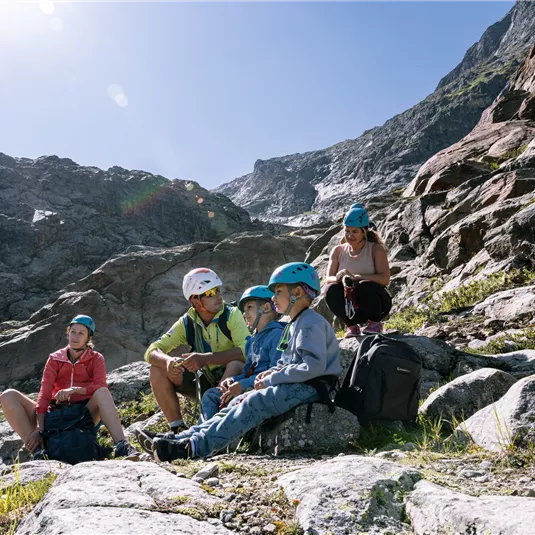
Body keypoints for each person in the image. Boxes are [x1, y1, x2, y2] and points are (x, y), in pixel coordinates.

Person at [146, 262, 342, 461]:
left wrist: (271, 378)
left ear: (297, 292)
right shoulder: (295, 324)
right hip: (299, 383)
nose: (273, 298)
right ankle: (185, 437)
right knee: (240, 401)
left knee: (254, 401)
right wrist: (271, 374)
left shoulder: (309, 322)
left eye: (278, 291)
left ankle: (192, 447)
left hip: (312, 386)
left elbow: (313, 366)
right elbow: (289, 363)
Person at [0, 315, 140, 460]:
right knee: (8, 395)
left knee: (103, 392)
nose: (75, 337)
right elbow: (45, 394)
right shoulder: (55, 358)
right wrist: (40, 430)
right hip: (55, 414)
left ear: (89, 338)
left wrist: (76, 390)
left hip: (84, 414)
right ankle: (38, 452)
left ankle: (122, 445)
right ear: (67, 332)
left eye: (81, 333)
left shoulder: (96, 358)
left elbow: (100, 385)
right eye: (73, 331)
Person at [144, 268, 250, 434]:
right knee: (157, 369)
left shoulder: (232, 315)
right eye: (211, 292)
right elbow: (152, 350)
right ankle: (177, 428)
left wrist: (205, 359)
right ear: (195, 301)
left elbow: (246, 351)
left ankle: (211, 428)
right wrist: (168, 362)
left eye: (218, 290)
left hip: (234, 378)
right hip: (206, 380)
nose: (218, 295)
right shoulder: (187, 323)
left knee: (235, 363)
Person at [200, 285, 284, 420]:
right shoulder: (252, 341)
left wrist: (242, 385)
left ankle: (205, 437)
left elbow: (275, 371)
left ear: (266, 308)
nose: (244, 314)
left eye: (249, 307)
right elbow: (247, 372)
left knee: (232, 404)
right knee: (211, 395)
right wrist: (233, 380)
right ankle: (199, 433)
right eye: (244, 310)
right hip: (249, 385)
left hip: (262, 389)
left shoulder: (277, 335)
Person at [324, 203, 392, 337]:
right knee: (329, 289)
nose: (350, 235)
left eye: (354, 231)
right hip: (351, 303)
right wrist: (341, 277)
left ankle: (375, 323)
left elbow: (385, 279)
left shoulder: (375, 249)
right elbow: (328, 277)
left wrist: (356, 277)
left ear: (364, 231)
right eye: (347, 231)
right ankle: (351, 326)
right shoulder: (338, 251)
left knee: (364, 285)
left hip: (376, 303)